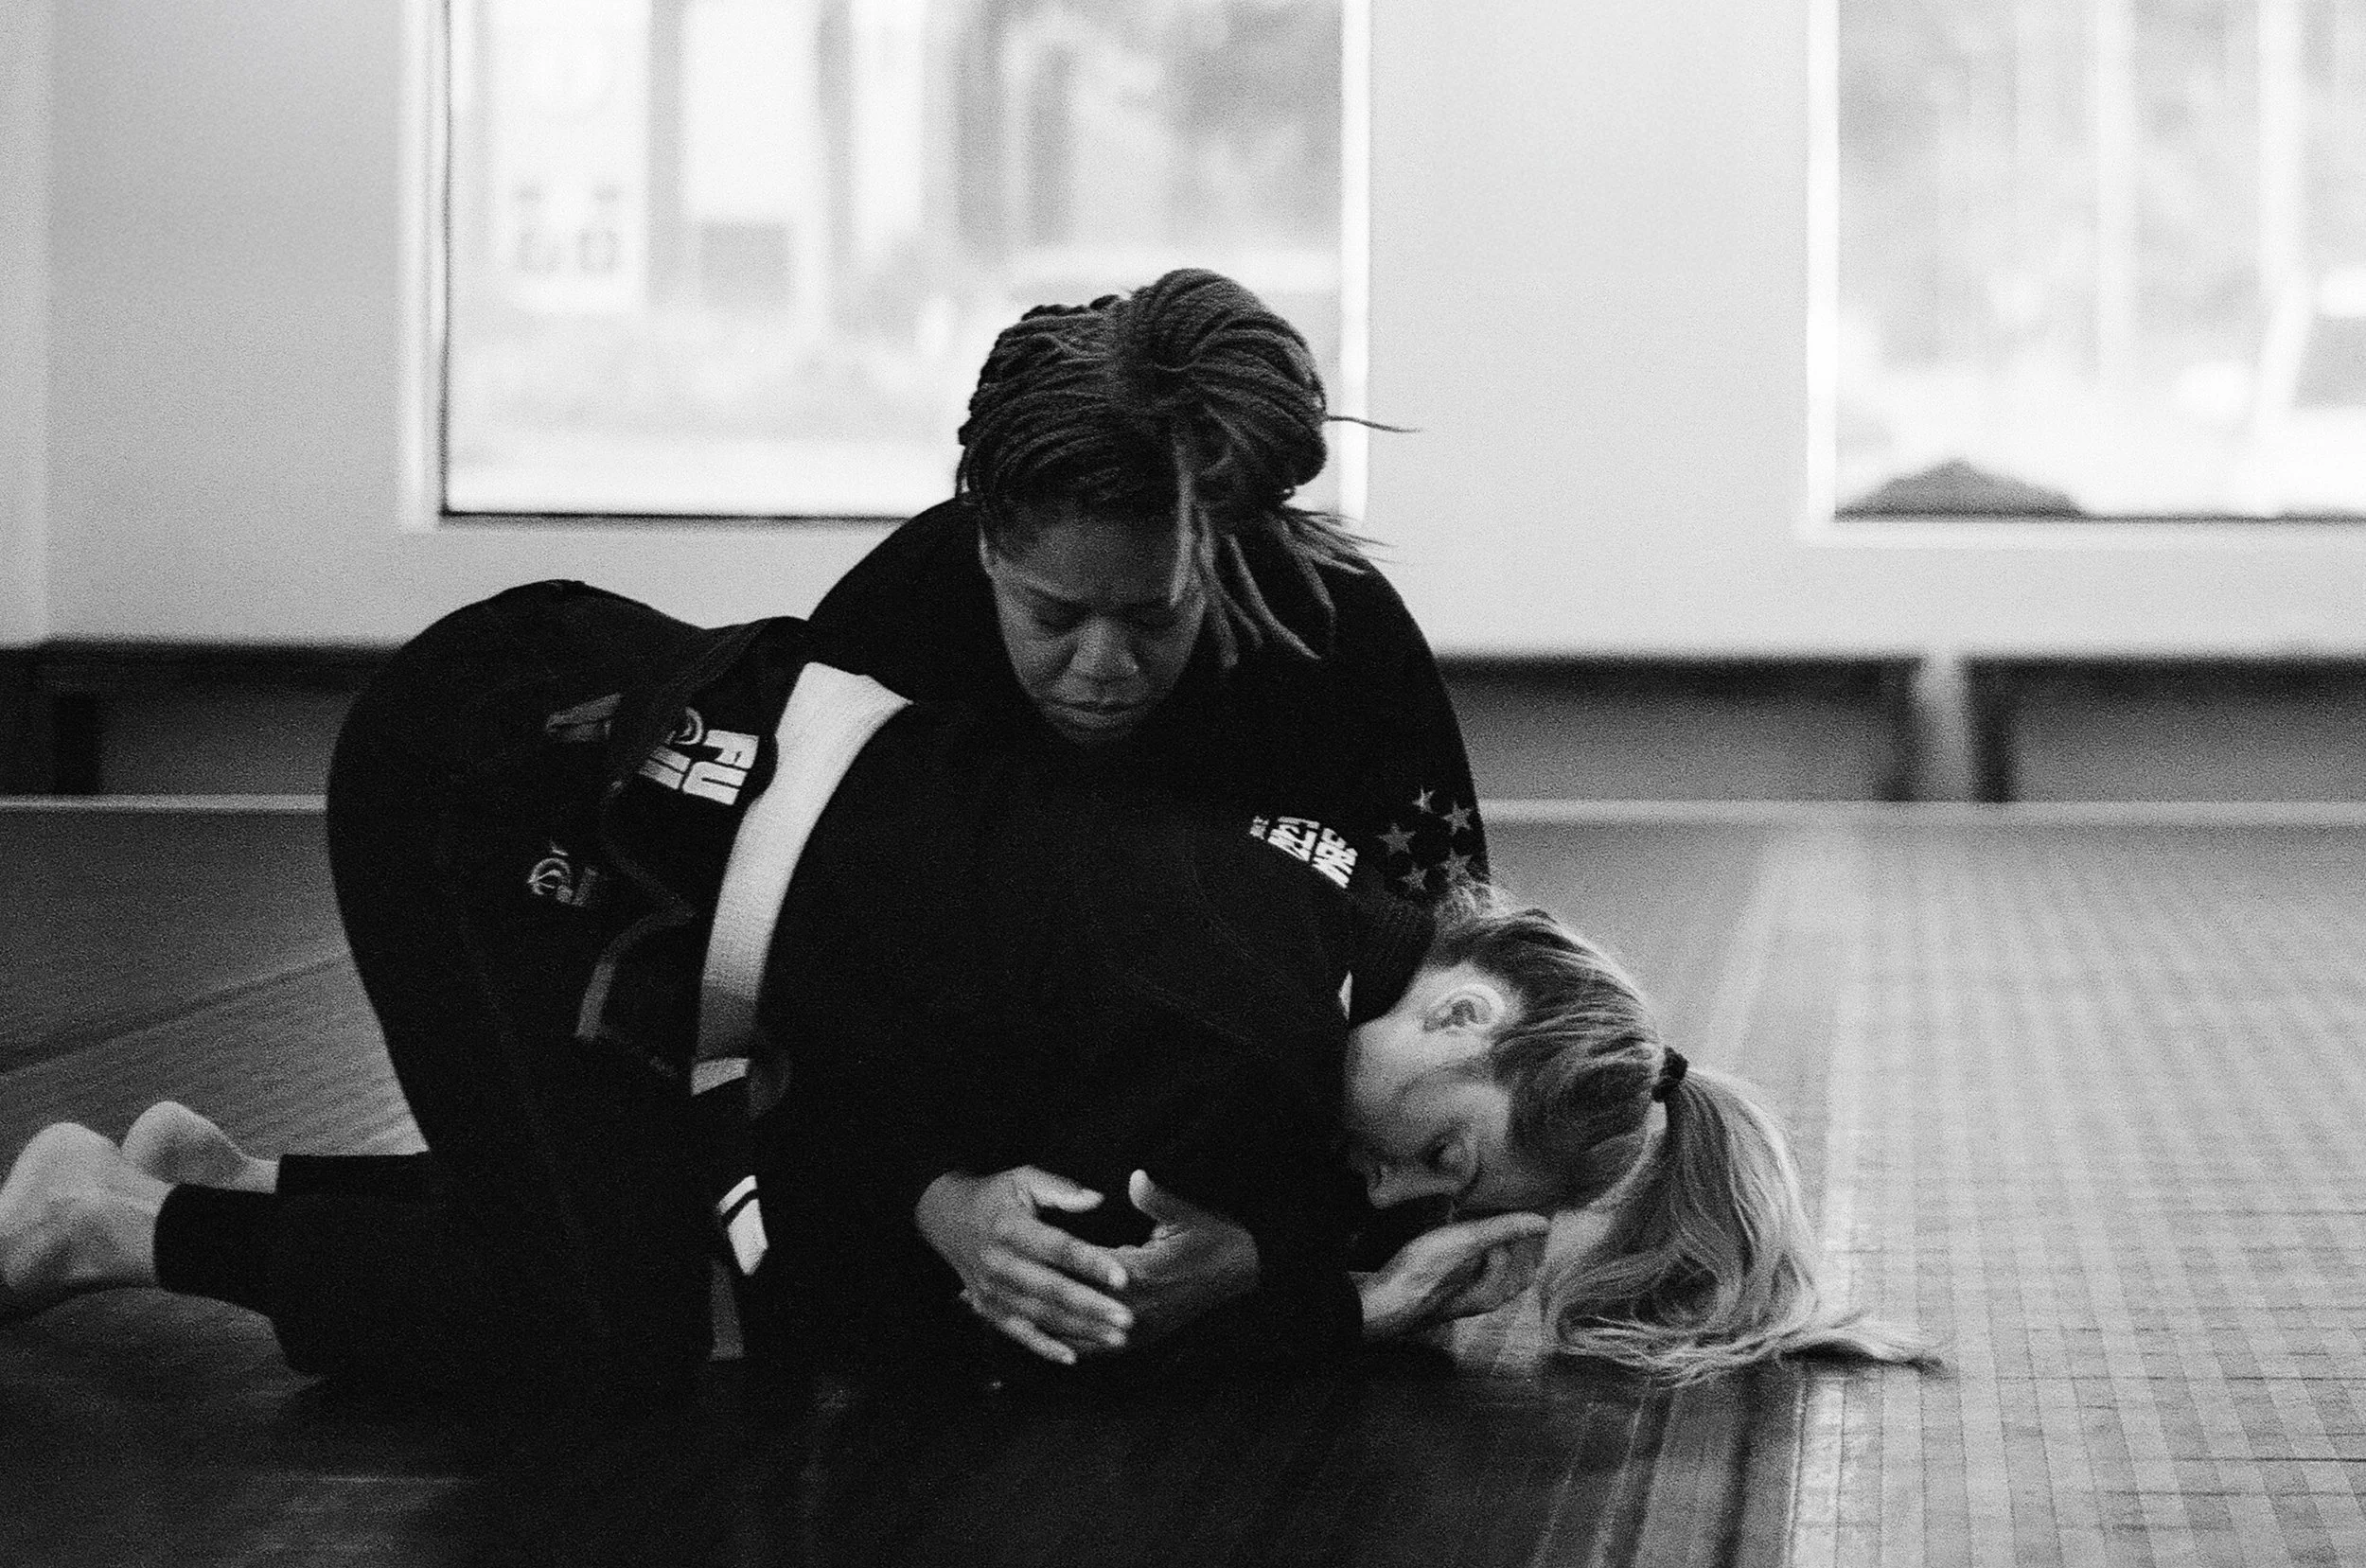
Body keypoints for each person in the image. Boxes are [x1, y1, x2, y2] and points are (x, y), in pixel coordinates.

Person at [0, 582, 1920, 1415]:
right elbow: (1020, 1335)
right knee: (619, 1331)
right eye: (1440, 1159)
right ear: (1462, 1018)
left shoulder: (1305, 929)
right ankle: (114, 1219)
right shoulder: (1247, 1029)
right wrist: (1344, 1298)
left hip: (599, 767)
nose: (1396, 1195)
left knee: (660, 1250)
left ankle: (221, 1176)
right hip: (515, 779)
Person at [803, 267, 1487, 905]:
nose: (1103, 666)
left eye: (1156, 617)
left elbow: (1459, 959)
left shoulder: (1341, 638)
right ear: (987, 551)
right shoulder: (896, 619)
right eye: (1052, 616)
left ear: (1221, 556)